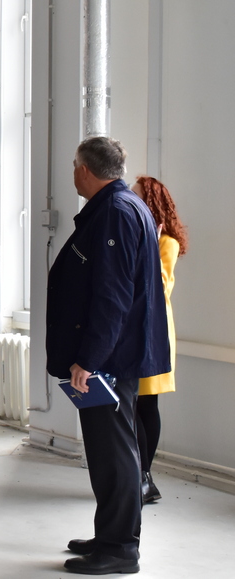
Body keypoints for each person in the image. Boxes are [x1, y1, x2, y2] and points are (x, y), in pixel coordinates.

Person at [47, 137, 170, 574]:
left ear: (84, 169)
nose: (73, 172)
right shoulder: (123, 206)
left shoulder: (116, 211)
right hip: (114, 356)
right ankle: (110, 535)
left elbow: (112, 296)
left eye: (74, 165)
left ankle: (119, 549)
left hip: (110, 361)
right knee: (108, 452)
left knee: (115, 454)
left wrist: (90, 359)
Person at [132, 175, 187, 504]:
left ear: (152, 202)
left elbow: (159, 288)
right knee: (132, 403)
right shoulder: (137, 236)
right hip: (134, 331)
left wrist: (149, 244)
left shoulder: (167, 242)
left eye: (138, 196)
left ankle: (145, 477)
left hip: (154, 333)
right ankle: (138, 477)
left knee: (146, 403)